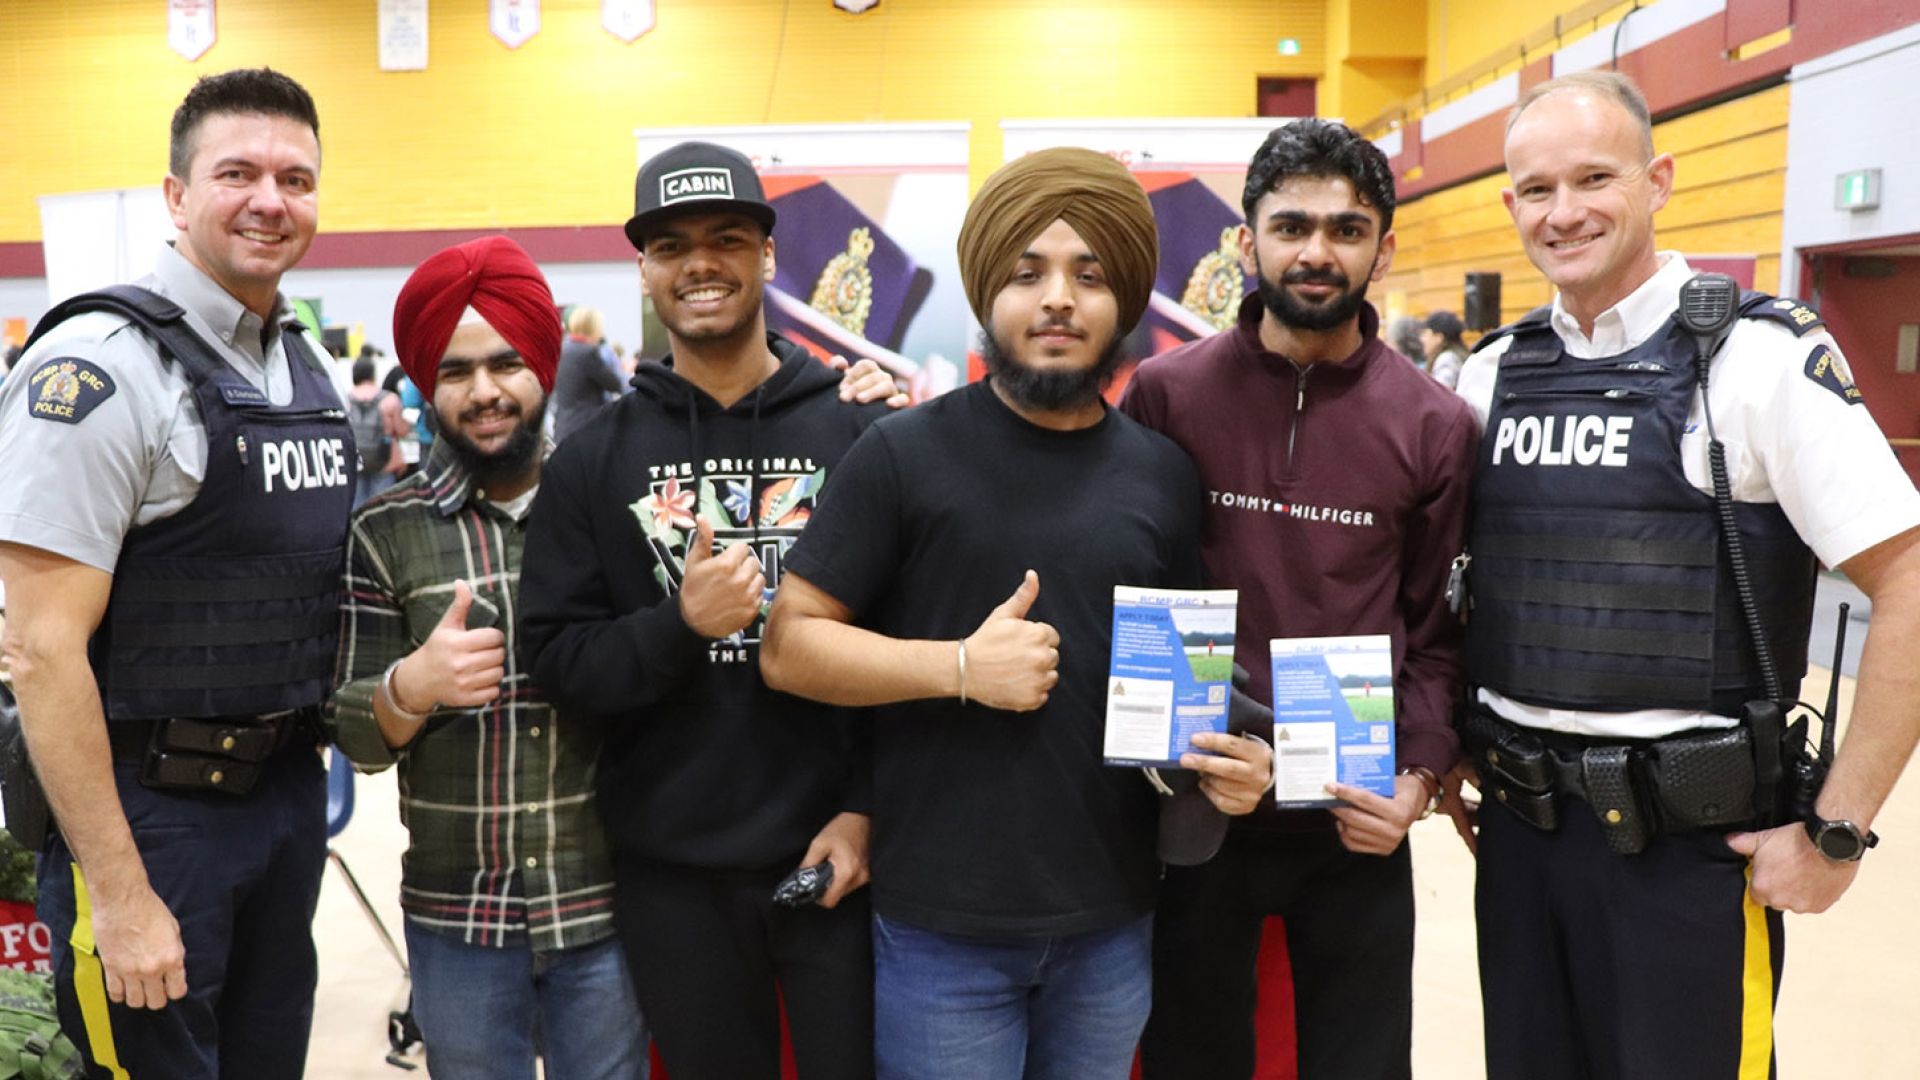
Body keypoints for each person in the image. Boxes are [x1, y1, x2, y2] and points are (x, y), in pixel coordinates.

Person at [760, 147, 1275, 1080]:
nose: (1058, 300)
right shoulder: (901, 454)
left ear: (1123, 301)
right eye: (1027, 272)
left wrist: (1225, 772)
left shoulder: (1160, 474)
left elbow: (1185, 688)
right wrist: (958, 668)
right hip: (941, 928)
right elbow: (788, 645)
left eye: (1089, 275)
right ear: (986, 292)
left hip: (1114, 918)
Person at [1455, 70, 1920, 1079]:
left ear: (1658, 180)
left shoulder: (1755, 361)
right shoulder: (1486, 376)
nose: (1564, 211)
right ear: (1509, 206)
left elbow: (1911, 576)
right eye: (1537, 189)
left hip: (1689, 858)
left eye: (1594, 178)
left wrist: (1837, 829)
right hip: (1523, 847)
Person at [517, 140, 903, 1080]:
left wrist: (865, 811)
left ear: (768, 256)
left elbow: (909, 650)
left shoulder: (864, 432)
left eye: (728, 237)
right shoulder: (590, 460)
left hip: (838, 858)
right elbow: (560, 665)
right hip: (672, 874)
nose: (701, 263)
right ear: (645, 269)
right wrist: (679, 626)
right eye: (672, 244)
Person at [1121, 118, 1478, 1080]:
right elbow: (1138, 599)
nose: (1317, 251)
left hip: (1352, 818)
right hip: (1200, 811)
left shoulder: (1436, 424)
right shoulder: (1166, 394)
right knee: (1192, 1061)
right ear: (1247, 242)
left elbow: (1437, 631)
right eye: (1291, 226)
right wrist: (1176, 760)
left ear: (1383, 248)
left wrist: (1416, 778)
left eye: (1347, 229)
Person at [0, 68, 340, 1077]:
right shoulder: (103, 369)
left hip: (281, 806)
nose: (270, 199)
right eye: (237, 172)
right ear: (176, 196)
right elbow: (40, 647)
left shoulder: (299, 368)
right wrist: (120, 890)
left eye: (296, 177)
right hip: (151, 820)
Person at [325, 236, 650, 1079]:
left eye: (506, 364)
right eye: (456, 372)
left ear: (542, 365)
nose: (484, 393)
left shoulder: (613, 509)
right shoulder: (385, 529)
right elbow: (353, 731)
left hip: (605, 906)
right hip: (460, 917)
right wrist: (411, 687)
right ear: (425, 387)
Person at [551, 304, 625, 443]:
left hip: (563, 427)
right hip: (586, 429)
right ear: (594, 328)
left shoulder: (562, 350)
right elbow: (614, 384)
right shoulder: (588, 353)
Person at [346, 353, 410, 505]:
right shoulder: (389, 399)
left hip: (355, 461)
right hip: (385, 462)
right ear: (373, 374)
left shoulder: (344, 399)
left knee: (356, 507)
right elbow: (402, 431)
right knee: (382, 508)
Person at [1420, 309, 1467, 389]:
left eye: (1425, 333)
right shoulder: (1457, 355)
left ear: (1439, 337)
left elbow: (1440, 393)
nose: (1422, 339)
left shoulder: (1448, 359)